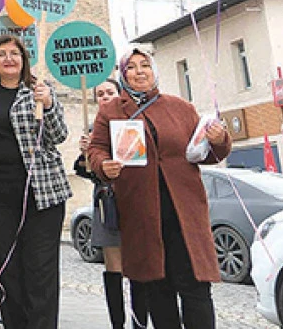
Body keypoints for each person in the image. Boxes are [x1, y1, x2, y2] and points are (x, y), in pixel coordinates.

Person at [88, 46, 232, 329]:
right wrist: (104, 165)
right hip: (142, 213)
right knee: (158, 288)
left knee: (196, 287)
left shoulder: (180, 107)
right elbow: (96, 149)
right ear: (122, 74)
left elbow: (208, 154)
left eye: (145, 65)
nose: (140, 71)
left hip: (185, 212)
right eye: (132, 67)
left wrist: (219, 139)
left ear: (154, 71)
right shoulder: (111, 111)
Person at [0, 34, 71, 329]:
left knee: (40, 274)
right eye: (2, 54)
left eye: (15, 53)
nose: (9, 58)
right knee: (7, 272)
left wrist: (48, 105)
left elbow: (59, 136)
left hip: (42, 196)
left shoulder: (38, 91)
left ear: (24, 60)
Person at [73, 79, 148, 329]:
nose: (105, 97)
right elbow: (86, 172)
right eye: (100, 94)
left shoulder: (134, 120)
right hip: (108, 202)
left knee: (138, 264)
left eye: (110, 92)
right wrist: (88, 156)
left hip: (136, 199)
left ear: (120, 94)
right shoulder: (95, 129)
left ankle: (140, 323)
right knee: (113, 264)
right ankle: (117, 323)